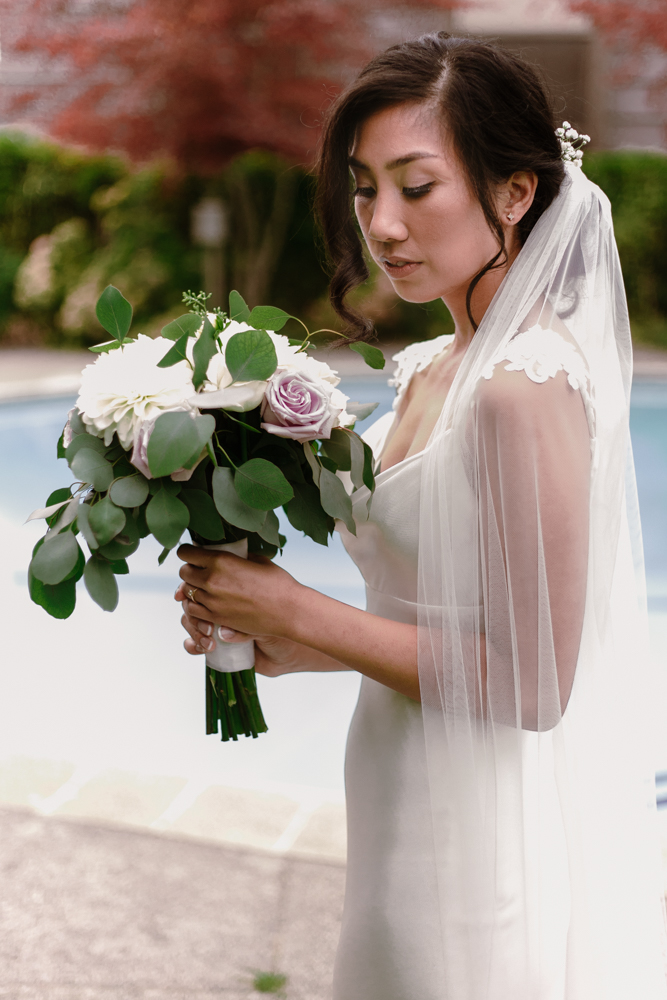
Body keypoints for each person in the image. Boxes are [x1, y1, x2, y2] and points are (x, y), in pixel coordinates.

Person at [174, 33, 667, 999]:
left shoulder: (522, 389)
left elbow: (533, 684)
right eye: (364, 189)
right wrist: (280, 634)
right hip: (400, 775)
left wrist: (306, 612)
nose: (383, 224)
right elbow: (434, 616)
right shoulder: (428, 370)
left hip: (479, 822)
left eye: (416, 186)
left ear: (514, 192)